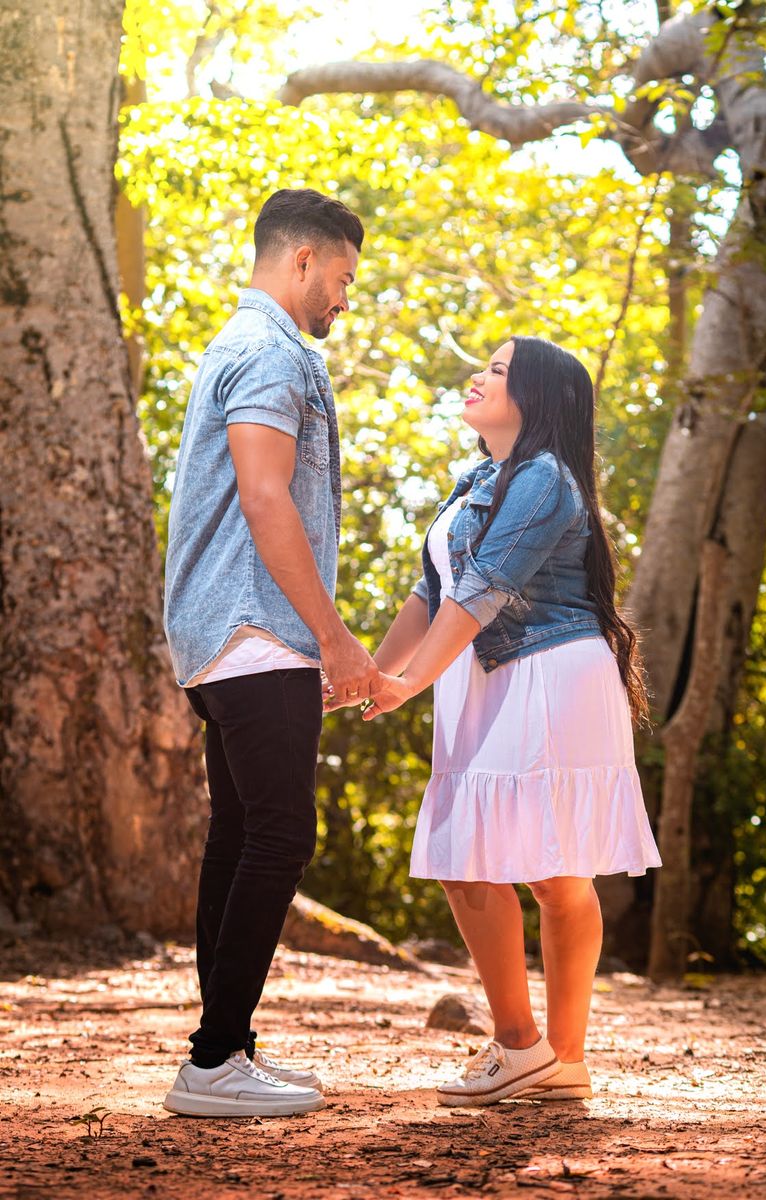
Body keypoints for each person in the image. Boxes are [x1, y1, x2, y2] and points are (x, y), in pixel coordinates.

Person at [327, 335, 661, 1107]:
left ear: (536, 398)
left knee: (542, 869)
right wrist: (367, 674)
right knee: (494, 861)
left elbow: (480, 591)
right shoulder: (480, 478)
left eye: (499, 370)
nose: (478, 376)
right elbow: (432, 593)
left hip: (547, 674)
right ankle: (547, 1057)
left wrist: (408, 683)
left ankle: (533, 1051)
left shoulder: (545, 478)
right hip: (487, 674)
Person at [162, 188, 378, 1117]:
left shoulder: (242, 344)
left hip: (224, 631)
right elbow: (264, 497)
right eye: (343, 278)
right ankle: (214, 1060)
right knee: (283, 834)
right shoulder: (270, 352)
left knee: (242, 834)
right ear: (302, 261)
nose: (344, 299)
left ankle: (227, 1050)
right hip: (256, 628)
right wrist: (333, 639)